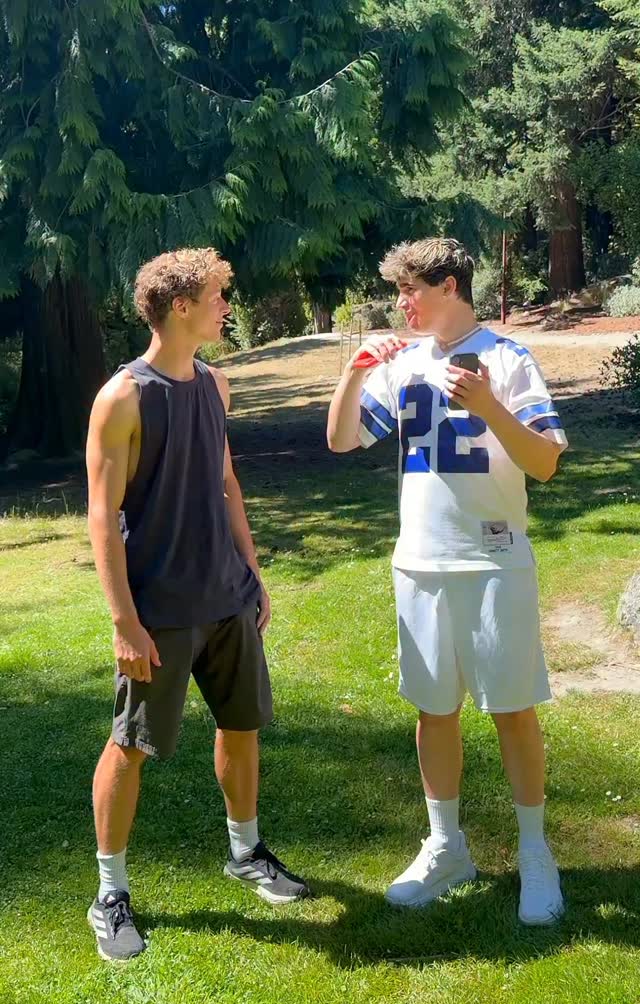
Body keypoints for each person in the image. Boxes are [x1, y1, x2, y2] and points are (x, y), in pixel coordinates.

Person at [327, 237, 567, 925]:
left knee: (512, 711)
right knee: (434, 712)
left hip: (494, 562)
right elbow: (342, 440)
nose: (402, 303)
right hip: (420, 562)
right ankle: (445, 846)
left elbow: (546, 463)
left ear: (450, 287)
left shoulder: (508, 358)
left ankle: (535, 852)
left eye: (411, 290)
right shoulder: (404, 363)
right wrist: (354, 374)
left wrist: (490, 406)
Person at [86, 248, 309, 962]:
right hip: (161, 610)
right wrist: (124, 621)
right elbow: (101, 516)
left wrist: (253, 570)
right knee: (131, 745)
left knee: (241, 726)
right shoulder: (123, 397)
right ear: (181, 306)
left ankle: (246, 853)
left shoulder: (216, 384)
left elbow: (225, 481)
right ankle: (110, 894)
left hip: (226, 597)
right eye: (217, 297)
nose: (226, 307)